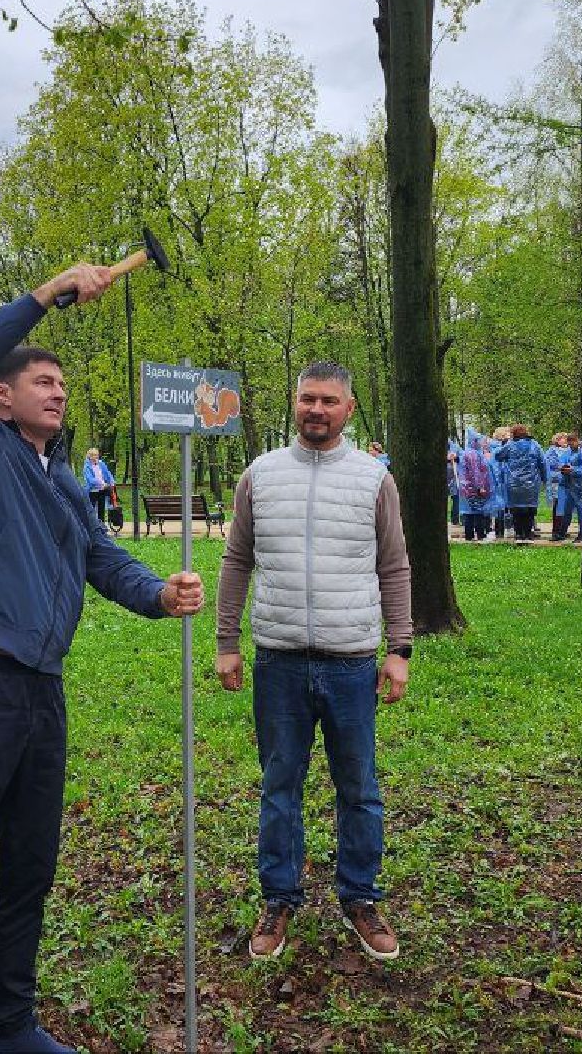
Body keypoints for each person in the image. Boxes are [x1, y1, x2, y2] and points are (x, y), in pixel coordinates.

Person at [0, 264, 206, 1054]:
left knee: (27, 872)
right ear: (2, 393)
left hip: (39, 695)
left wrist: (159, 594)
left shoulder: (62, 480)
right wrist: (46, 293)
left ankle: (11, 1027)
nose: (57, 392)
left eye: (62, 384)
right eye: (41, 381)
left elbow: (103, 557)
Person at [214, 360, 412, 964]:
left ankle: (360, 898)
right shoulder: (260, 476)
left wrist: (399, 648)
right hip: (277, 661)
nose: (317, 410)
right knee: (280, 787)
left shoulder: (373, 480)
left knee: (359, 788)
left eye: (329, 401)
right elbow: (235, 561)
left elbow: (395, 565)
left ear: (349, 409)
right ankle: (278, 899)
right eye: (307, 400)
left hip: (351, 661)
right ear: (293, 405)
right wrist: (226, 642)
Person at [495, 424, 548, 542]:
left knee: (516, 509)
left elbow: (498, 456)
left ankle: (519, 534)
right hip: (531, 483)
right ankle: (528, 534)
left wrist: (504, 443)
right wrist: (545, 478)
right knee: (530, 509)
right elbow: (542, 463)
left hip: (514, 483)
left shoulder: (510, 445)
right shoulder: (535, 445)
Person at [545, 432, 582, 543]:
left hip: (580, 486)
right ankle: (561, 533)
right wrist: (562, 468)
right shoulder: (569, 451)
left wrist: (573, 470)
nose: (570, 444)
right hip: (567, 484)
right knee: (566, 510)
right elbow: (562, 462)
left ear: (578, 440)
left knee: (581, 510)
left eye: (572, 441)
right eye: (569, 442)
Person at [459, 434, 494, 542]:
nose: (482, 443)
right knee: (477, 512)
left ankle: (469, 536)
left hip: (467, 487)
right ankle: (480, 535)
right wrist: (480, 487)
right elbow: (475, 472)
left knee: (469, 512)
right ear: (474, 441)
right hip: (473, 488)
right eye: (480, 441)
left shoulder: (468, 452)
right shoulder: (473, 454)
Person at [81, 447, 118, 533]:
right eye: (93, 455)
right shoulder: (87, 466)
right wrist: (102, 484)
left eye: (97, 455)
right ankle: (90, 527)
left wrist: (112, 483)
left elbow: (108, 474)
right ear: (89, 456)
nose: (95, 457)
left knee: (101, 509)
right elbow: (90, 480)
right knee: (91, 509)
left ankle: (102, 527)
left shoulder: (101, 464)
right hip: (92, 491)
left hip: (102, 490)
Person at [487, 427, 511, 540]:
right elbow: (496, 467)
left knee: (503, 507)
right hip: (499, 483)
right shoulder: (497, 449)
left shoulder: (499, 447)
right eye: (507, 433)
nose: (510, 435)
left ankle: (502, 530)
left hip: (502, 482)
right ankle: (499, 532)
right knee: (500, 507)